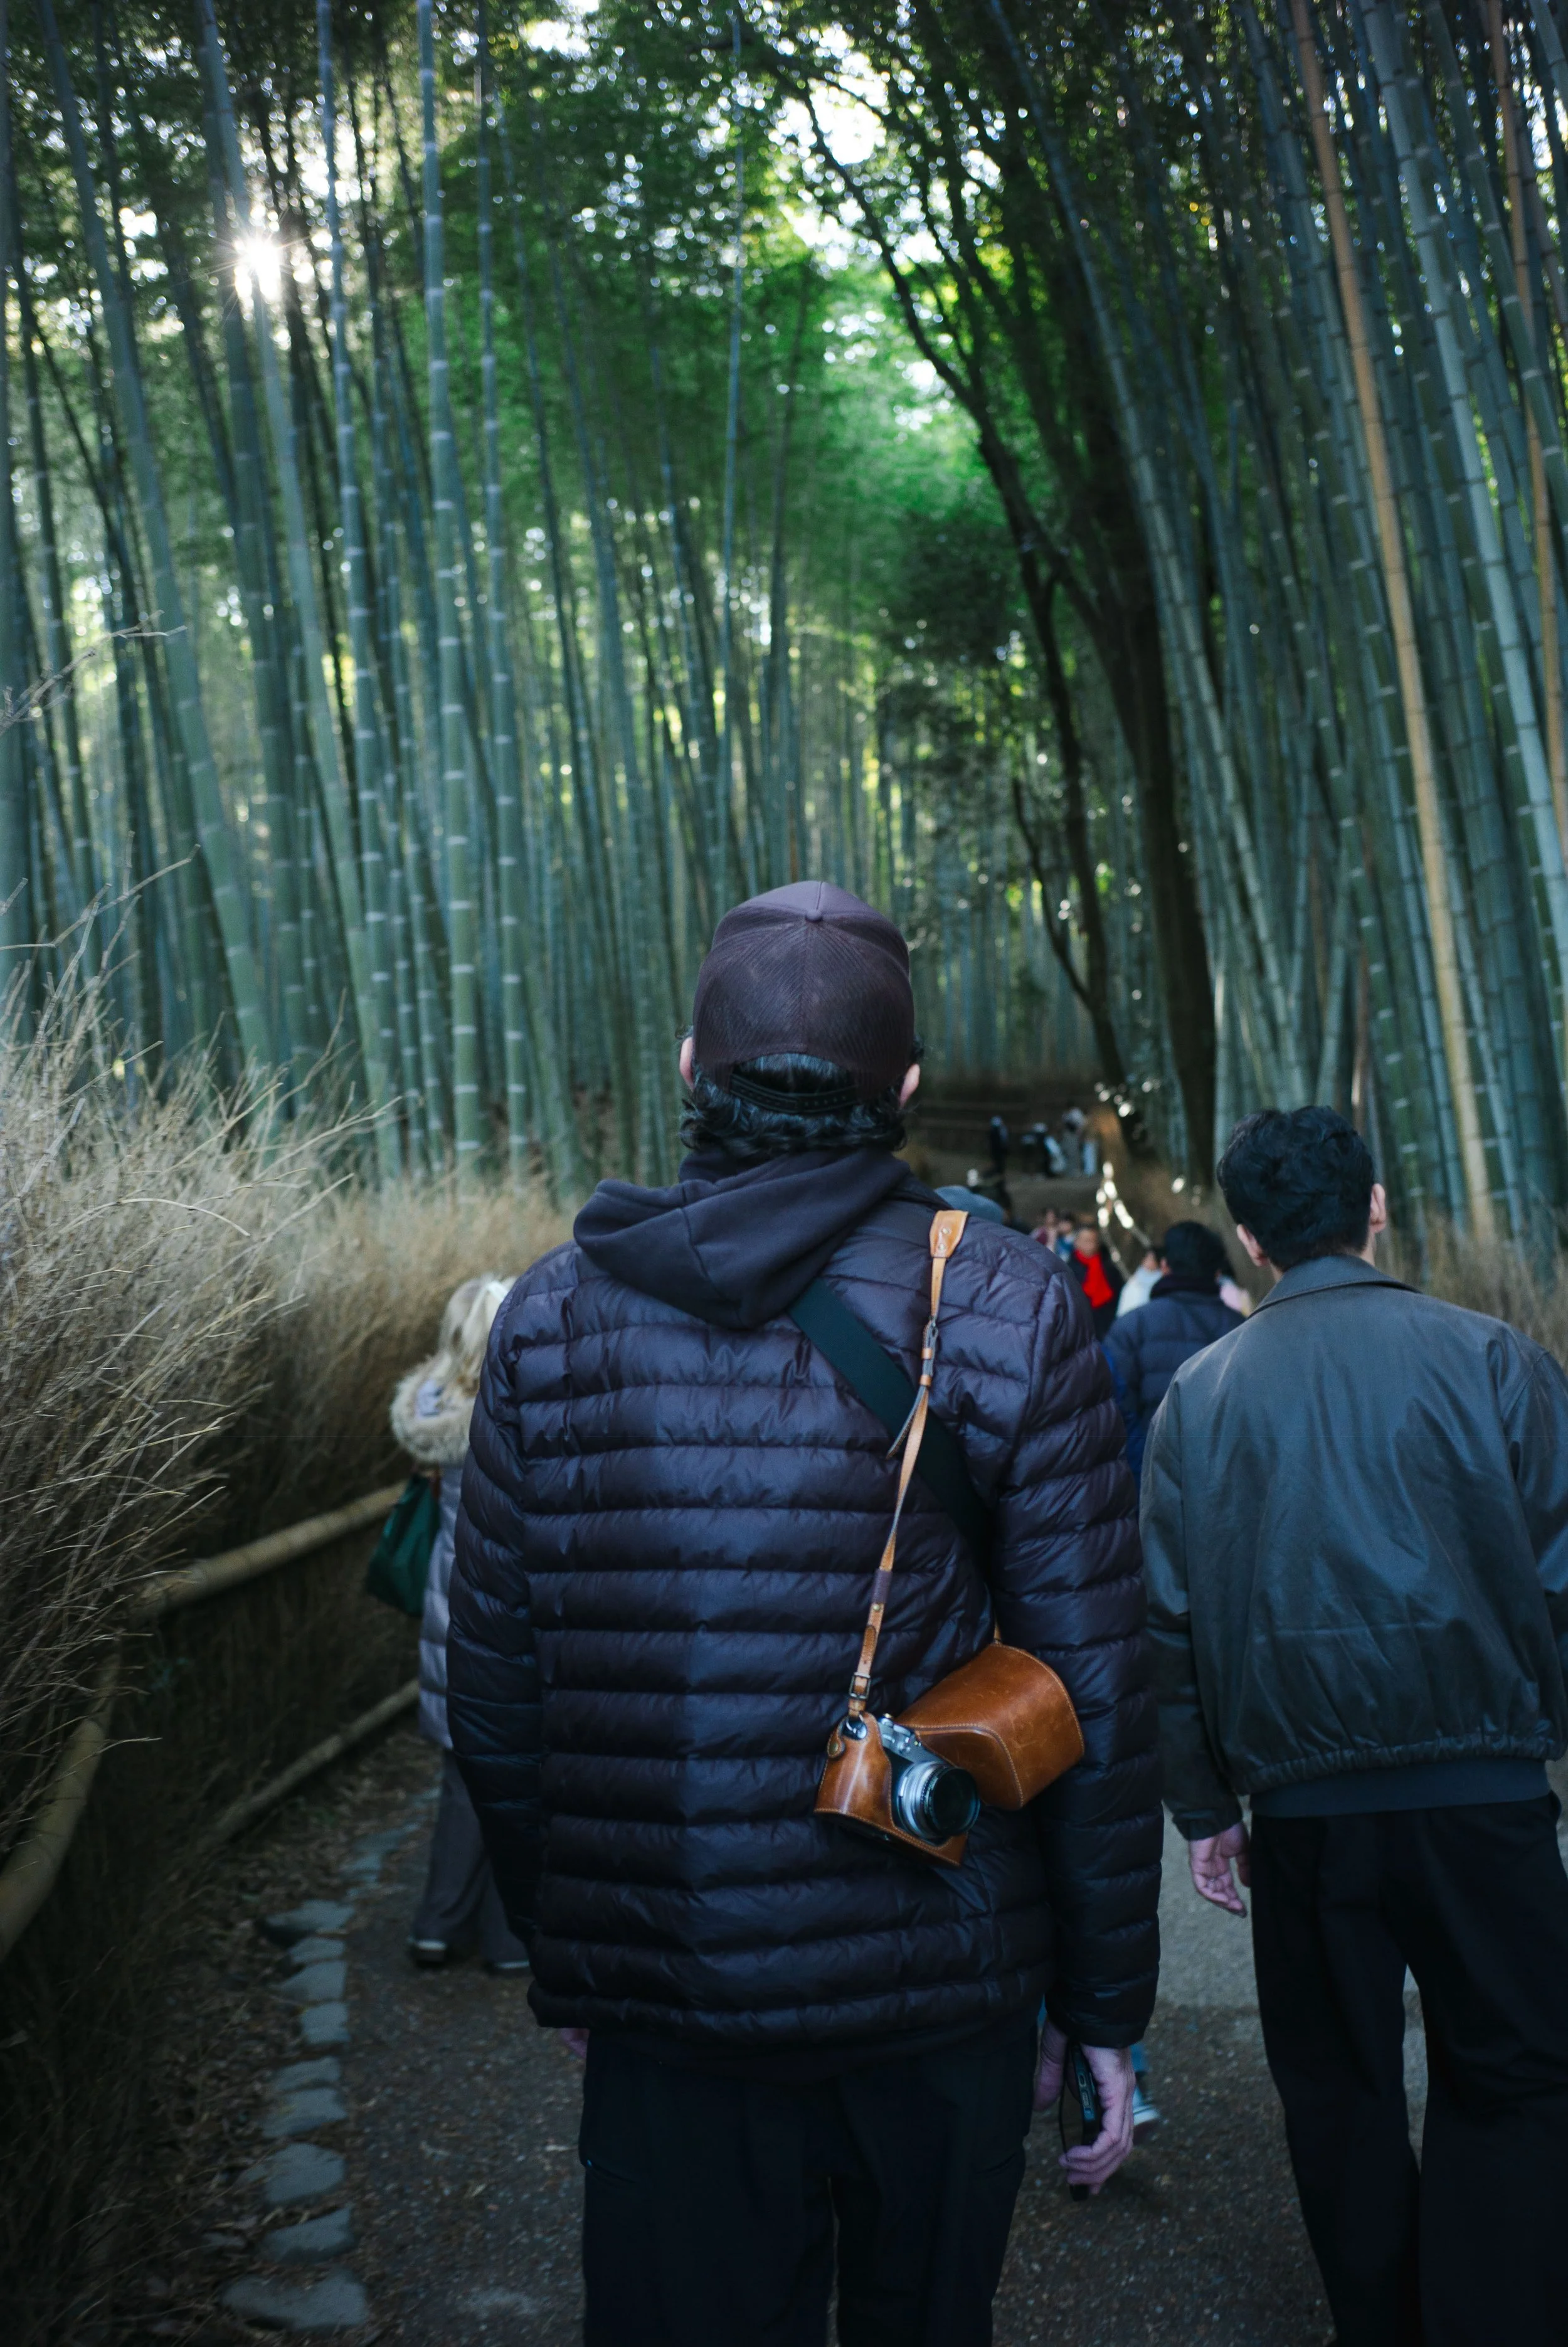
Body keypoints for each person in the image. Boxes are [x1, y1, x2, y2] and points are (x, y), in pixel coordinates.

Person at [448, 880, 1161, 2347]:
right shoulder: (1013, 1304)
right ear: (903, 1090)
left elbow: (497, 1688)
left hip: (673, 1998)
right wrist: (1102, 2005)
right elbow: (1091, 1681)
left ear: (691, 1070)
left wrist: (572, 1948)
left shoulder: (553, 1317)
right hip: (941, 1991)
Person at [1141, 1106, 1568, 2347]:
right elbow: (1558, 1570)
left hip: (1309, 1816)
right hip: (1482, 1793)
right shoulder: (1491, 1357)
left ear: (1249, 1237)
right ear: (1373, 1206)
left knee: (1338, 2090)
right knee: (1518, 2071)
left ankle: (1379, 2321)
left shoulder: (1197, 1396)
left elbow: (1167, 1619)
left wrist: (1204, 1805)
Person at [392, 1274, 529, 1976]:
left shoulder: (431, 1407)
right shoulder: (515, 1411)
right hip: (505, 1609)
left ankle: (439, 1926)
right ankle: (506, 1938)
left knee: (460, 1775)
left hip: (449, 1607)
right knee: (519, 1775)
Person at [1102, 1221, 1242, 1479]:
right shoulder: (1243, 1330)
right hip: (1224, 1479)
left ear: (1165, 1266)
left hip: (1149, 1475)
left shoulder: (1131, 1328)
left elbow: (1114, 1410)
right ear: (1216, 1272)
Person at [1067, 1209, 1123, 1335]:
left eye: (1094, 1241)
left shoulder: (1108, 1266)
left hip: (1107, 1326)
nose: (1091, 1246)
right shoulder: (1069, 1270)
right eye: (1087, 1241)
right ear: (1077, 1242)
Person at [1113, 1244, 1161, 1320]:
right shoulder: (1136, 1277)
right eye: (1147, 1257)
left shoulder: (1160, 1282)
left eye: (1151, 1259)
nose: (1147, 1261)